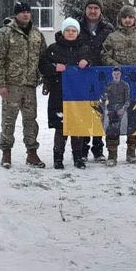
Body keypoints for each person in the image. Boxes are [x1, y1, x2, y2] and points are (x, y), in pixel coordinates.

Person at [0, 2, 47, 168]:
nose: (25, 15)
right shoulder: (5, 33)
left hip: (30, 85)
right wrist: (1, 84)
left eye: (28, 12)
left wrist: (44, 79)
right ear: (16, 14)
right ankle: (6, 153)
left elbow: (43, 59)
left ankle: (32, 153)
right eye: (22, 12)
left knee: (31, 120)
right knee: (9, 120)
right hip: (12, 85)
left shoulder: (37, 35)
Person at [38, 17, 95, 169]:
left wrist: (87, 62)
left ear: (77, 32)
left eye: (73, 30)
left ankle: (77, 157)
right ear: (63, 32)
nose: (70, 33)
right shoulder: (53, 49)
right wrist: (55, 67)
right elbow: (43, 66)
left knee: (77, 127)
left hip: (79, 96)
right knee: (61, 128)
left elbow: (94, 64)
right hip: (59, 94)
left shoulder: (84, 48)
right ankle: (58, 158)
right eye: (68, 30)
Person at [102, 5, 136, 164]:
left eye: (130, 17)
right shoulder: (112, 37)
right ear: (120, 19)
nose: (127, 20)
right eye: (125, 17)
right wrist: (118, 68)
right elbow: (104, 56)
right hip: (116, 86)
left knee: (134, 118)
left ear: (135, 19)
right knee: (113, 119)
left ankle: (131, 151)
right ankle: (112, 154)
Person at [78, 0, 115, 161]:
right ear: (85, 9)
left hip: (102, 77)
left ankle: (98, 149)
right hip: (83, 76)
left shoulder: (108, 29)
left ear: (101, 10)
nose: (93, 11)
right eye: (90, 8)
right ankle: (83, 149)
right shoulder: (77, 27)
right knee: (85, 111)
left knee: (101, 112)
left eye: (96, 8)